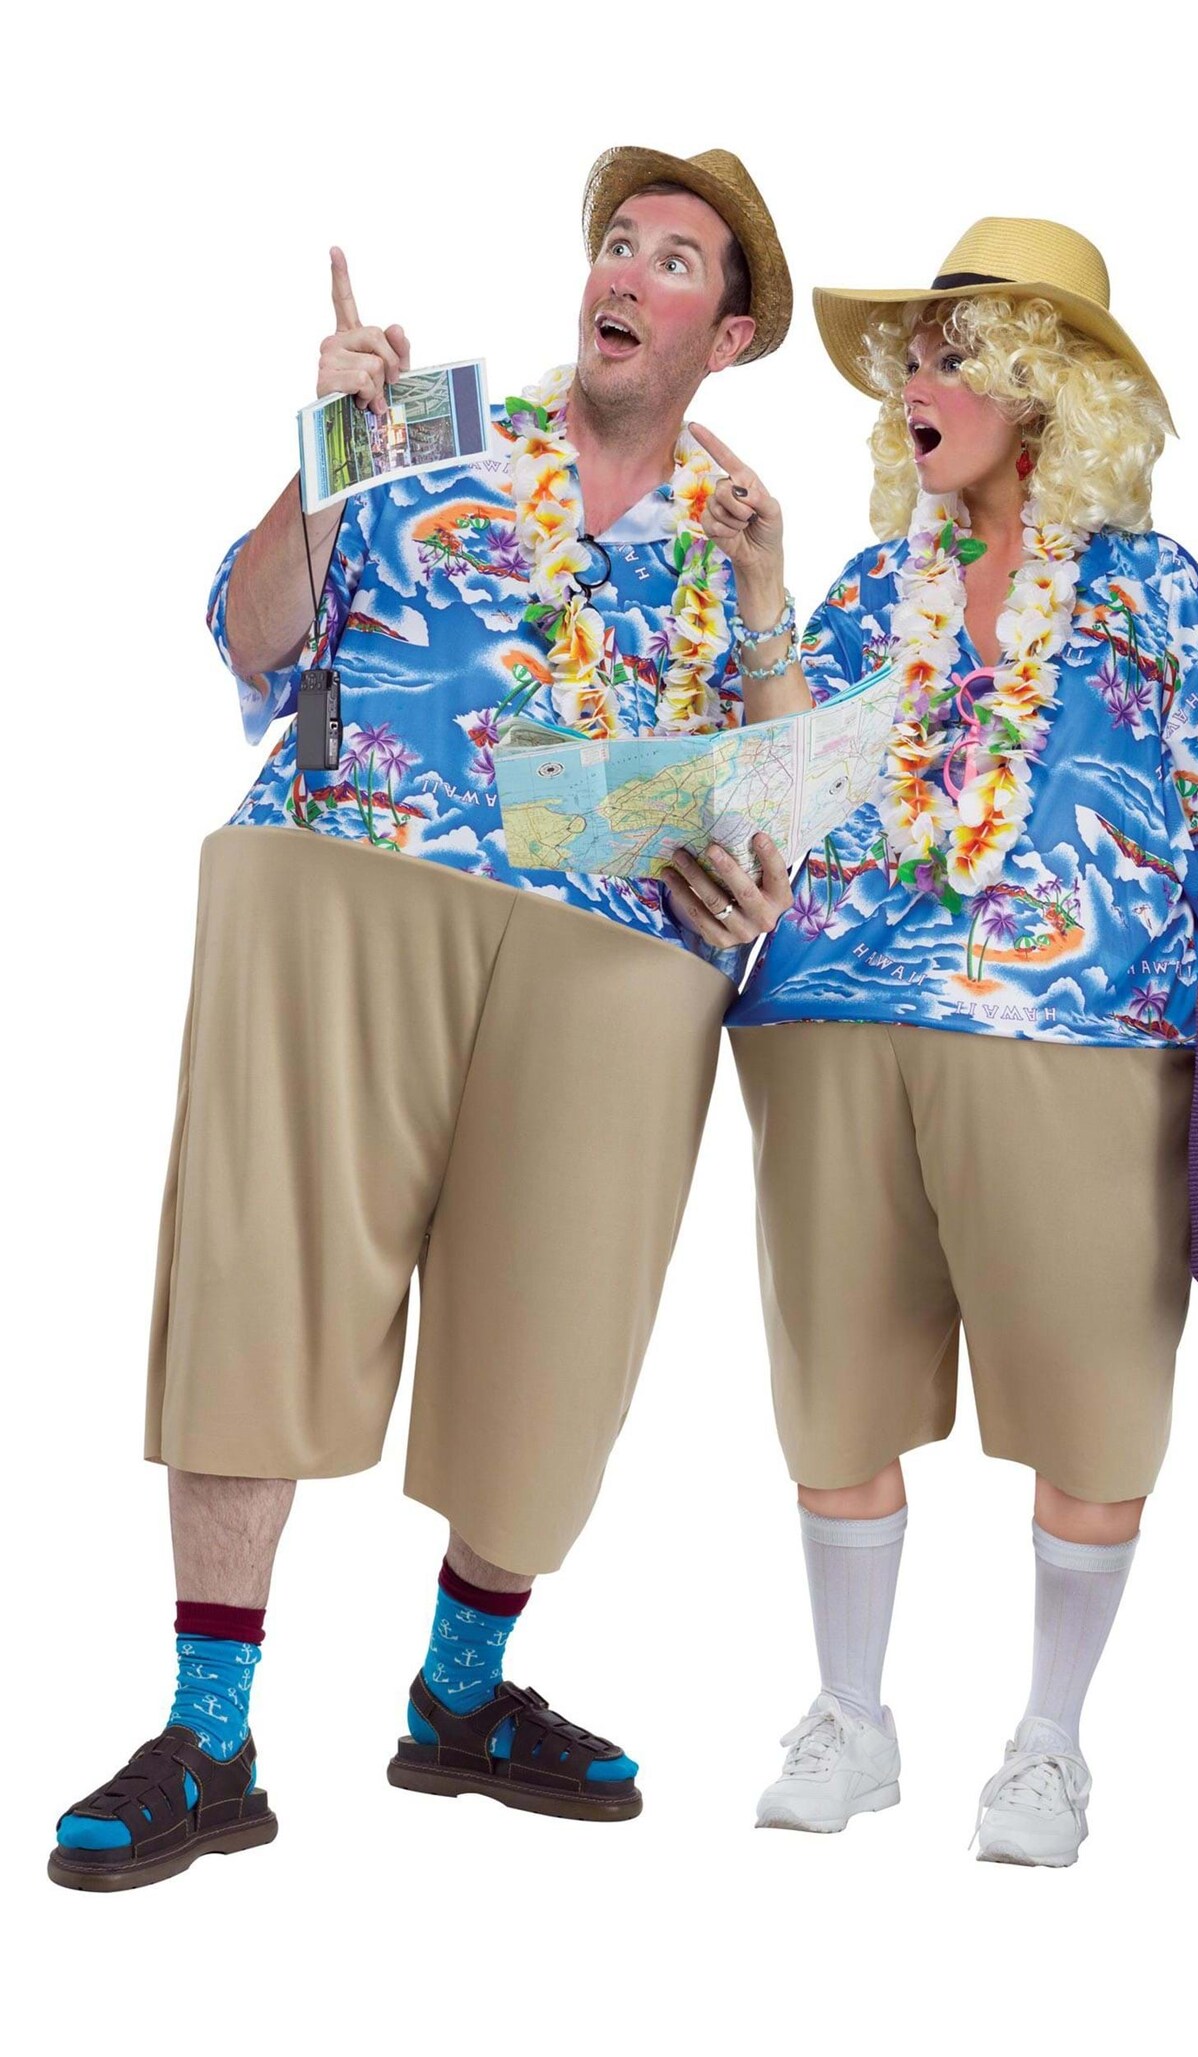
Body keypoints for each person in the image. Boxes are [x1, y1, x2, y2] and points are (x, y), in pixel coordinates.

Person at [48, 145, 811, 1892]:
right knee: (264, 1275)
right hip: (348, 871)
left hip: (611, 947)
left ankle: (459, 1702)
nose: (623, 273)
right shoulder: (427, 422)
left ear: (728, 334)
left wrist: (759, 644)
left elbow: (781, 823)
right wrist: (327, 451)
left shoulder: (739, 540)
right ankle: (210, 1736)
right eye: (616, 242)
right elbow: (249, 638)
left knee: (559, 1331)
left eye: (672, 260)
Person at [719, 218, 1198, 1862]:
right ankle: (852, 1715)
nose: (915, 385)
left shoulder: (1153, 591)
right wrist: (765, 597)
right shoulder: (874, 588)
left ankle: (1050, 1744)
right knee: (833, 1387)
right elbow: (784, 786)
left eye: (952, 359)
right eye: (912, 363)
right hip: (831, 1016)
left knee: (1092, 1399)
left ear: (1037, 389)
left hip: (1083, 1031)